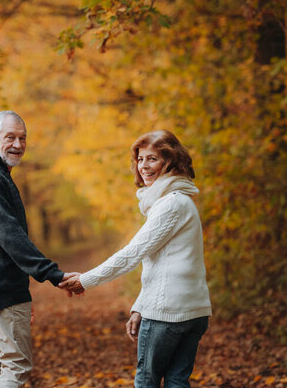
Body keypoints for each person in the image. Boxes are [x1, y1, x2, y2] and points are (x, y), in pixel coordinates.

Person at [60, 130, 212, 388]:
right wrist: (141, 306)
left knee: (146, 381)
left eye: (152, 159)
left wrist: (85, 280)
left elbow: (132, 254)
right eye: (140, 159)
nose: (143, 166)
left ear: (170, 161)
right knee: (177, 381)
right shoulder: (180, 201)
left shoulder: (170, 204)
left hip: (168, 314)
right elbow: (163, 263)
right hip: (192, 311)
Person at [0, 110, 76, 388]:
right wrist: (53, 274)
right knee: (16, 365)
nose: (18, 144)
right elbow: (10, 236)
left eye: (22, 138)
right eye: (10, 137)